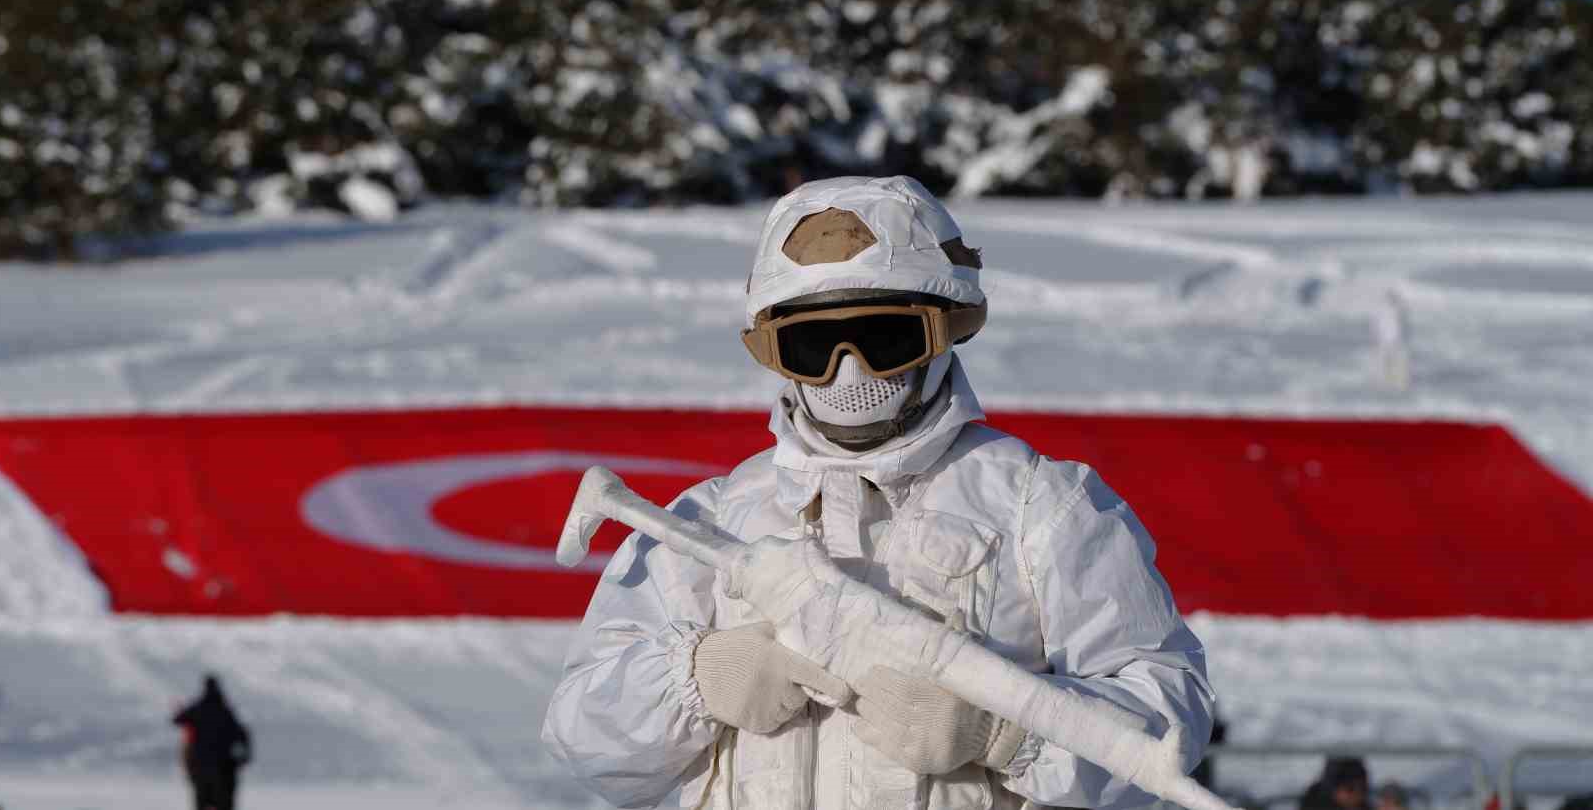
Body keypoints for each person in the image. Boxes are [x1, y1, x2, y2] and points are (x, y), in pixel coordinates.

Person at [542, 175, 1216, 809]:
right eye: (812, 346)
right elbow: (584, 740)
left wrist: (1008, 733)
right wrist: (694, 678)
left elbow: (1165, 722)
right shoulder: (711, 521)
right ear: (770, 350)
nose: (849, 372)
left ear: (946, 326)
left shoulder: (1042, 508)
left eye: (883, 338)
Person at [171, 674, 252, 810]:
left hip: (200, 767)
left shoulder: (197, 709)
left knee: (202, 803)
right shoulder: (226, 712)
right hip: (224, 769)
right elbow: (242, 735)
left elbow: (178, 720)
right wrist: (243, 758)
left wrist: (180, 710)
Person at [1300, 756, 1370, 810]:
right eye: (1350, 789)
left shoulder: (1363, 805)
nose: (1357, 795)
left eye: (1363, 789)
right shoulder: (1313, 804)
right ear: (1333, 788)